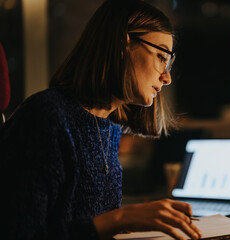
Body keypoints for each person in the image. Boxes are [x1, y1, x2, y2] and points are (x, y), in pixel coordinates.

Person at [0, 0, 202, 239]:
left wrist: (121, 224)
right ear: (121, 45)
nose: (167, 77)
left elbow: (87, 223)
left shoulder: (108, 126)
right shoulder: (47, 117)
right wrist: (119, 219)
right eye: (160, 56)